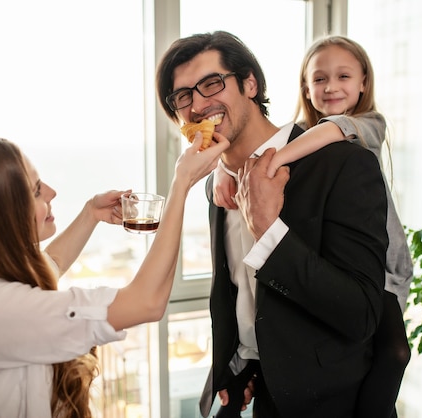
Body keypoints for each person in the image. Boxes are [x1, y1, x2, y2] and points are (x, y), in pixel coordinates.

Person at [0, 135, 228, 418]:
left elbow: (50, 263)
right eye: (34, 190)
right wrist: (180, 184)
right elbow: (146, 302)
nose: (51, 192)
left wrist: (91, 213)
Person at [157, 31, 389, 417]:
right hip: (264, 396)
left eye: (212, 83)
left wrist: (269, 231)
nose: (198, 104)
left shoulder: (343, 164)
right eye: (183, 96)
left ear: (250, 83)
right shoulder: (218, 185)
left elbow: (361, 313)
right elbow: (239, 294)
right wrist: (241, 365)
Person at [211, 35, 413, 417]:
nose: (331, 87)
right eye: (319, 79)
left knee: (392, 352)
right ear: (305, 87)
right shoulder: (301, 132)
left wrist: (263, 164)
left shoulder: (364, 124)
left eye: (343, 76)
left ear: (363, 82)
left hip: (385, 272)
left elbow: (318, 135)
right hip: (330, 275)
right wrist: (222, 171)